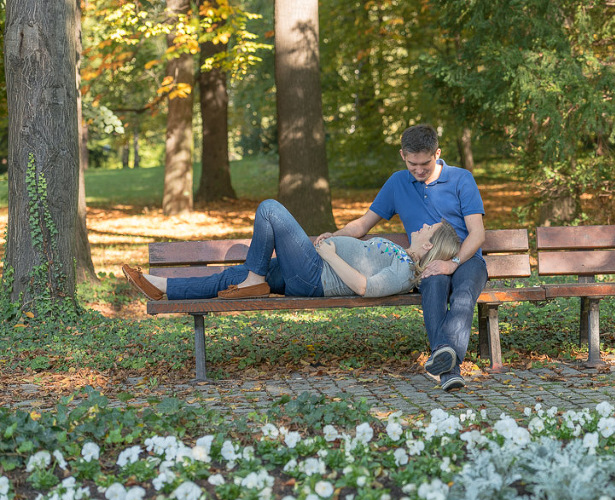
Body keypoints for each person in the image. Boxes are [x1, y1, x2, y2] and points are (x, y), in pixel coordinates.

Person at [315, 124, 487, 392]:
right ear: (403, 156)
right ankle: (447, 365)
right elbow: (362, 225)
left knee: (463, 294)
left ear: (437, 153)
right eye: (412, 164)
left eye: (425, 164)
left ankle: (446, 364)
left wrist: (452, 264)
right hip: (428, 262)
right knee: (433, 285)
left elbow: (477, 234)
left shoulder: (461, 179)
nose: (418, 170)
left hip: (466, 259)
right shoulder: (397, 182)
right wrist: (333, 239)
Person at [122, 199, 461, 304]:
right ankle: (162, 287)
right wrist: (335, 241)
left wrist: (330, 256)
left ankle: (255, 280)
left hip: (314, 276)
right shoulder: (400, 254)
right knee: (230, 276)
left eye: (427, 228)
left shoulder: (404, 270)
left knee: (270, 209)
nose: (420, 227)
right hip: (312, 266)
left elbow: (364, 287)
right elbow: (359, 247)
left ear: (429, 245)